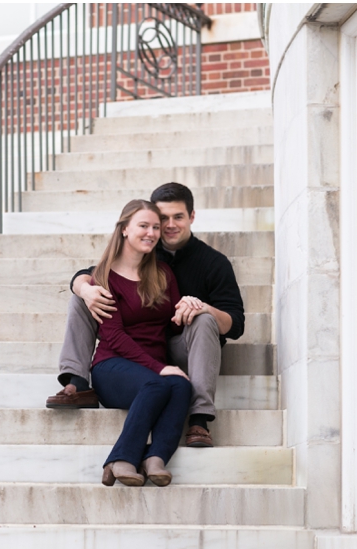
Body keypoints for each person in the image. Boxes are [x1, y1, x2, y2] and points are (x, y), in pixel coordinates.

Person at [46, 183, 245, 448]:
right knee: (85, 297)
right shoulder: (147, 245)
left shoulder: (214, 263)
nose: (169, 225)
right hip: (137, 346)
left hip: (183, 344)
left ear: (192, 217)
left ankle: (199, 419)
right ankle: (77, 382)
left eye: (178, 217)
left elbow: (236, 325)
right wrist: (83, 287)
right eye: (162, 219)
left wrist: (204, 307)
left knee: (205, 318)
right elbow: (98, 272)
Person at [85, 199, 192, 487]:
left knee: (182, 385)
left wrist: (190, 307)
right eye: (143, 225)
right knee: (159, 383)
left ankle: (155, 458)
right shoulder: (104, 278)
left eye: (155, 227)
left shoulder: (162, 274)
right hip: (112, 366)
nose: (152, 233)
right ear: (124, 230)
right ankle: (120, 459)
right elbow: (115, 336)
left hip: (151, 368)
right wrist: (159, 368)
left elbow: (171, 324)